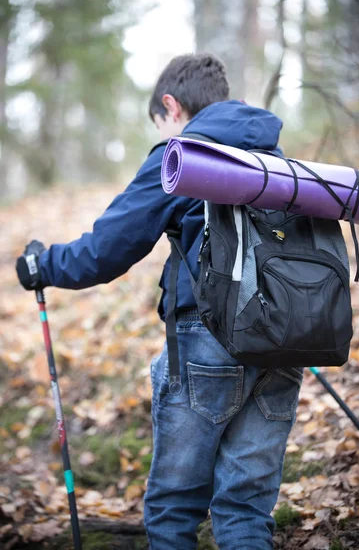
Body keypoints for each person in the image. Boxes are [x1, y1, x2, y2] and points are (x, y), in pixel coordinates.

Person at [16, 53, 303, 550]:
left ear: (170, 105)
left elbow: (108, 249)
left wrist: (46, 265)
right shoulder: (275, 158)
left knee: (174, 509)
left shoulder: (185, 154)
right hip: (285, 343)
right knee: (245, 509)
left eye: (161, 122)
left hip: (207, 344)